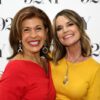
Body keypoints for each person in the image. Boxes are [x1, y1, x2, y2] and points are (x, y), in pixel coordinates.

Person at [0, 6, 56, 100]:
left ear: (46, 32)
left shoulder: (47, 62)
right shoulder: (15, 69)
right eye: (26, 30)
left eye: (38, 28)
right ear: (18, 36)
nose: (33, 35)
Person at [50, 9, 100, 100]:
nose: (65, 30)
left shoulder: (95, 69)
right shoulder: (50, 59)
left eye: (70, 24)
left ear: (80, 27)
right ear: (57, 35)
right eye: (59, 28)